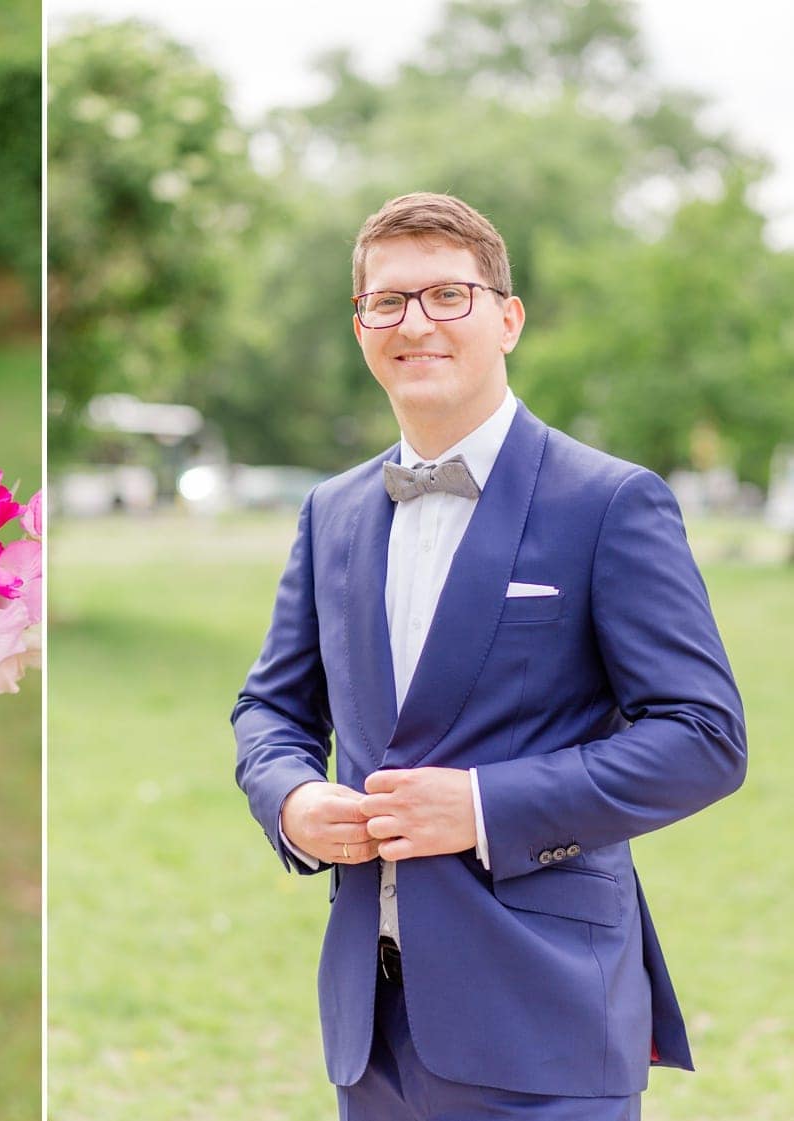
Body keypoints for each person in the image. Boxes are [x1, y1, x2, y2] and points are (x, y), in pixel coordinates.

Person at [232, 192, 747, 1120]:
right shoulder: (333, 512)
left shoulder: (610, 502)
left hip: (546, 1021)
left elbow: (704, 736)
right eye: (386, 302)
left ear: (507, 319)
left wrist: (477, 805)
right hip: (372, 1031)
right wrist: (292, 800)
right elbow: (271, 706)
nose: (414, 322)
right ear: (360, 329)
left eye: (447, 296)